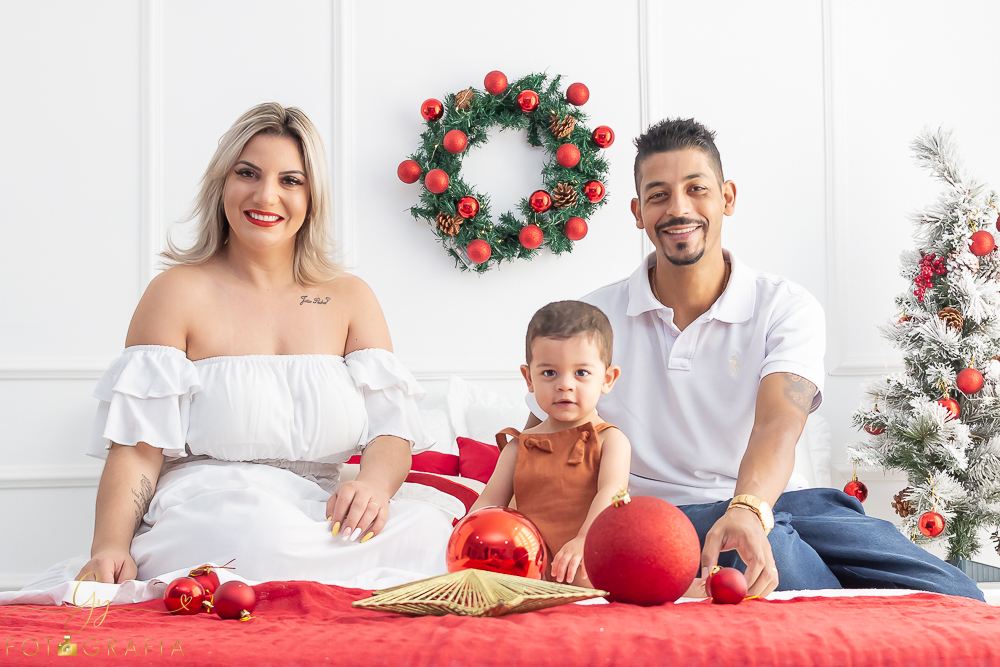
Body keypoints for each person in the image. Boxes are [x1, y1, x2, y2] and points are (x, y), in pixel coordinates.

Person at [526, 118, 984, 601]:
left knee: (955, 592)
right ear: (638, 212)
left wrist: (748, 507)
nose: (679, 208)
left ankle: (802, 562)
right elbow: (543, 442)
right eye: (659, 195)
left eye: (696, 189)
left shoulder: (785, 305)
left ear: (727, 198)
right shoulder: (593, 319)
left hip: (785, 502)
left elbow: (777, 425)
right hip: (665, 517)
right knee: (779, 569)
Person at [25, 102, 453, 590]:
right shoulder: (176, 293)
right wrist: (109, 547)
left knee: (427, 531)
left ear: (312, 196)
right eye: (247, 173)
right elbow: (138, 451)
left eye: (290, 180)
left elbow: (390, 434)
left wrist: (373, 487)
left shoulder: (350, 296)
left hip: (319, 508)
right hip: (215, 505)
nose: (266, 194)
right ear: (221, 184)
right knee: (252, 529)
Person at [472, 301, 632, 586]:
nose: (564, 385)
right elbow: (488, 505)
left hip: (590, 555)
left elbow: (612, 494)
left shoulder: (611, 440)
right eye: (549, 373)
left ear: (607, 379)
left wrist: (584, 539)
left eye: (581, 373)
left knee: (611, 577)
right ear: (528, 378)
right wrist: (466, 535)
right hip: (529, 566)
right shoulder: (518, 447)